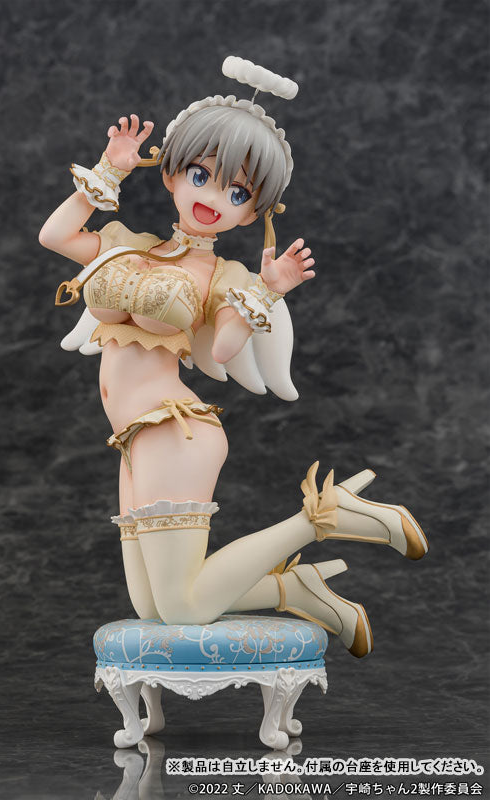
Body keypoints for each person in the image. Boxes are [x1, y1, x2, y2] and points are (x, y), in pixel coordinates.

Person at [39, 58, 428, 657]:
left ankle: (326, 515)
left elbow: (222, 349)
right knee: (155, 607)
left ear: (252, 213)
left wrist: (266, 292)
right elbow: (55, 236)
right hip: (133, 441)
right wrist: (109, 168)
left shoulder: (224, 276)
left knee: (183, 606)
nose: (213, 197)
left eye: (239, 192)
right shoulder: (127, 245)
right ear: (171, 173)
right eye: (201, 174)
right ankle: (295, 589)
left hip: (174, 432)